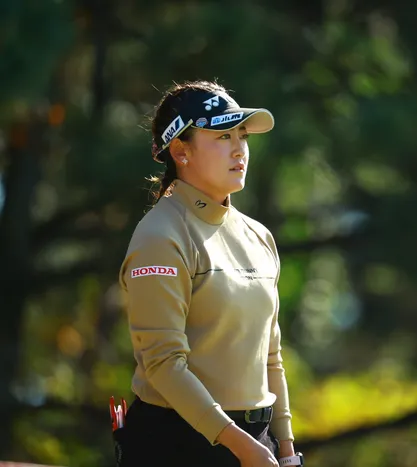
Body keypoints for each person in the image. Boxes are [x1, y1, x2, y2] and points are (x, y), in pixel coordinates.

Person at [115, 80, 303, 467]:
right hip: (177, 445)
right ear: (180, 151)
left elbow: (270, 358)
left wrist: (285, 451)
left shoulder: (258, 236)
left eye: (242, 136)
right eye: (222, 136)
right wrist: (242, 447)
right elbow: (164, 364)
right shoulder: (160, 235)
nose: (239, 149)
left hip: (255, 442)